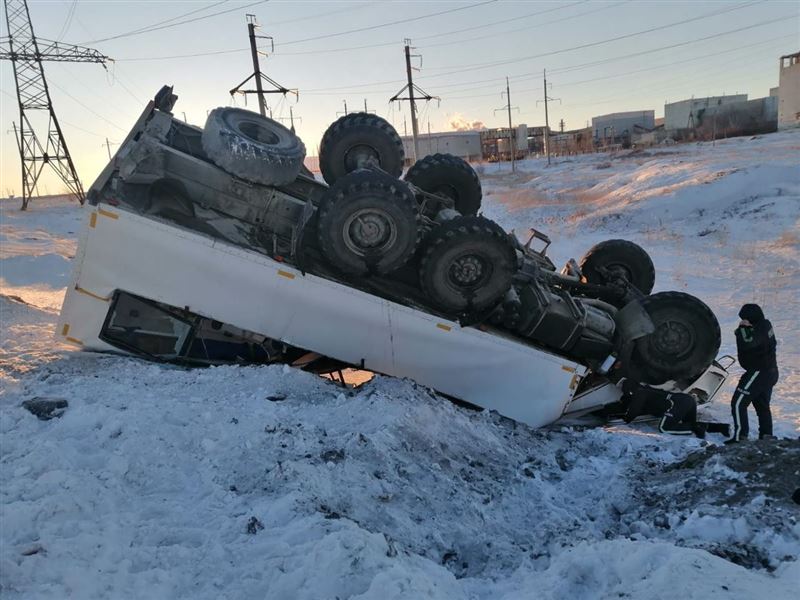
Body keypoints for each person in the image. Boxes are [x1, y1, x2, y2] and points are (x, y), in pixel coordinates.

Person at [727, 303, 778, 443]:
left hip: (759, 372)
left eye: (745, 318)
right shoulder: (764, 326)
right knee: (762, 406)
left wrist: (743, 328)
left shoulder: (761, 327)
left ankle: (740, 437)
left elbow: (749, 342)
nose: (743, 321)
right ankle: (766, 437)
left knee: (738, 403)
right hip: (769, 372)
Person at [620, 379, 730, 438]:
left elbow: (635, 409)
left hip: (677, 403)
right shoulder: (647, 390)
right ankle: (721, 428)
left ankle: (697, 428)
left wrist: (625, 420)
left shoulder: (640, 392)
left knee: (665, 428)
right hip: (687, 399)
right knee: (689, 423)